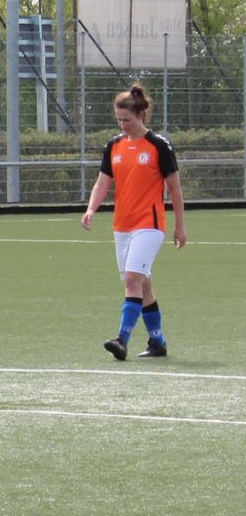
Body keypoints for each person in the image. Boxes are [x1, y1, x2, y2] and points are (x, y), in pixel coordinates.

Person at [81, 82, 187, 361]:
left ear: (141, 115)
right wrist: (91, 209)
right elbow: (102, 183)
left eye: (126, 119)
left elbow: (175, 188)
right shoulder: (114, 146)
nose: (122, 125)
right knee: (143, 284)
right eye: (118, 119)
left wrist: (180, 225)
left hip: (149, 224)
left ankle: (122, 340)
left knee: (132, 280)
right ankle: (157, 341)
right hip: (122, 225)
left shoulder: (158, 145)